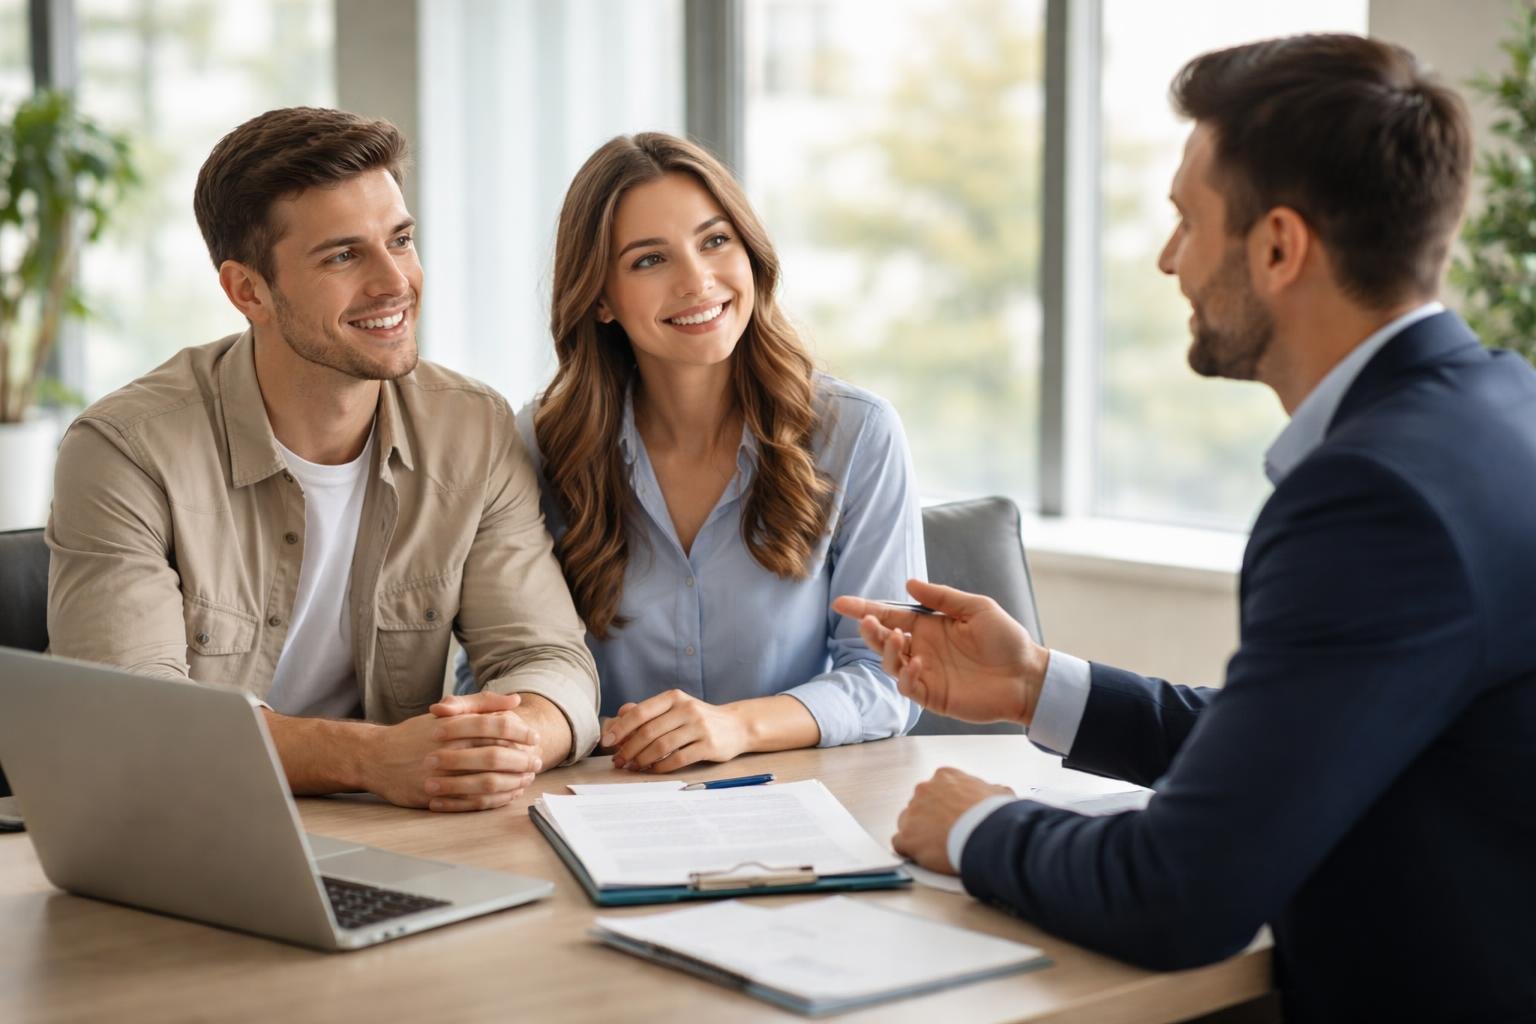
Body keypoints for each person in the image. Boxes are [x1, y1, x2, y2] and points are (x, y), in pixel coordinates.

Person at [836, 34, 1536, 1022]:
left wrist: (979, 825)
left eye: (1186, 222)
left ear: (1280, 246)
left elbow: (1180, 892)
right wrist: (1040, 684)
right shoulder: (1503, 407)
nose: (1170, 260)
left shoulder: (1374, 496)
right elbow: (1309, 737)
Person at [46, 107, 600, 813]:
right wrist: (369, 759)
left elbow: (548, 660)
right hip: (189, 827)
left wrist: (504, 743)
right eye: (343, 255)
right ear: (248, 291)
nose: (393, 281)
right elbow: (135, 724)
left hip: (395, 828)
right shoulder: (126, 450)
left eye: (400, 240)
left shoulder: (471, 428)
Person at [460, 132, 924, 772]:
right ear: (599, 298)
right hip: (604, 800)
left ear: (751, 253)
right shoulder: (539, 446)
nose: (697, 281)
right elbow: (495, 669)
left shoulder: (856, 433)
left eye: (715, 241)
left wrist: (737, 727)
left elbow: (887, 679)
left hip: (801, 801)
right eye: (650, 260)